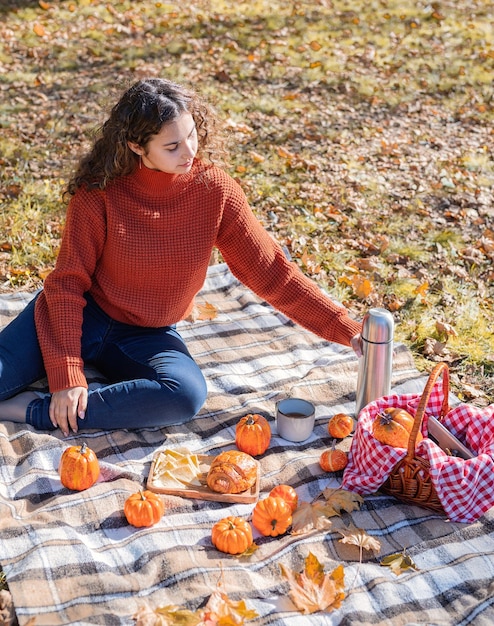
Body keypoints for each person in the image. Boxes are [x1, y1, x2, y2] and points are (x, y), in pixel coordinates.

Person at [0, 78, 362, 437]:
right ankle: (61, 396)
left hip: (146, 335)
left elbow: (272, 273)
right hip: (80, 313)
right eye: (173, 145)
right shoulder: (99, 196)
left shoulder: (215, 191)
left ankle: (34, 410)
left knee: (185, 396)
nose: (189, 152)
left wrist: (348, 329)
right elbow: (66, 284)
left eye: (192, 135)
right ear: (136, 147)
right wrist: (66, 373)